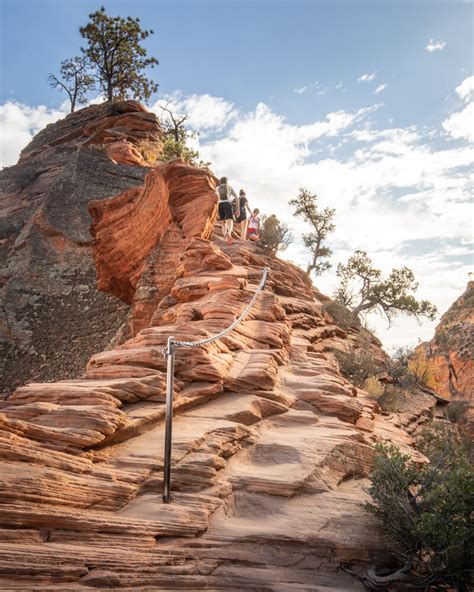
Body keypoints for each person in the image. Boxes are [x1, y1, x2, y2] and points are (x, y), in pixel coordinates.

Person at [216, 176, 237, 244]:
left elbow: (216, 196)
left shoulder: (218, 188)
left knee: (223, 221)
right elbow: (236, 196)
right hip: (228, 203)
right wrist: (236, 207)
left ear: (220, 181)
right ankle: (229, 233)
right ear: (226, 181)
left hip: (220, 204)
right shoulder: (229, 187)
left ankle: (224, 234)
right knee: (230, 219)